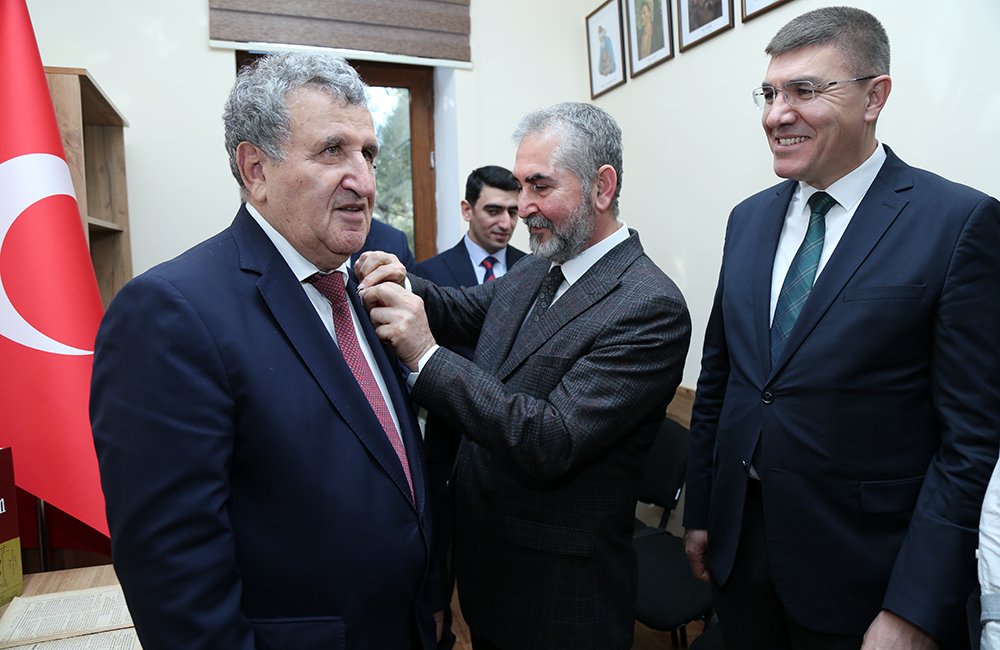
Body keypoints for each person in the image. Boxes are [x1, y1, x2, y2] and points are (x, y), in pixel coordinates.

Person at [90, 51, 434, 649]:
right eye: (333, 151)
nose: (364, 180)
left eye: (369, 154)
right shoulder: (170, 313)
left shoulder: (362, 286)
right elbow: (176, 582)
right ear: (255, 169)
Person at [683, 6, 1000, 649]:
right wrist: (702, 512)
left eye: (804, 90)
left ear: (874, 97)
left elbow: (971, 442)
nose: (777, 115)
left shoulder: (958, 222)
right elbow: (723, 378)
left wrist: (914, 608)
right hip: (742, 551)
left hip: (867, 573)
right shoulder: (747, 220)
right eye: (770, 94)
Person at [358, 101, 691, 650]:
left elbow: (549, 437)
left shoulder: (648, 306)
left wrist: (426, 355)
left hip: (560, 595)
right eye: (520, 187)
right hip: (491, 569)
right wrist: (405, 282)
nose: (523, 209)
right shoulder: (538, 266)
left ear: (602, 187)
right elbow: (464, 308)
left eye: (540, 186)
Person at [410, 164, 526, 649]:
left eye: (513, 212)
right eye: (493, 210)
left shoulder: (532, 271)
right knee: (440, 560)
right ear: (467, 209)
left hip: (512, 453)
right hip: (448, 444)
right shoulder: (430, 275)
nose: (505, 222)